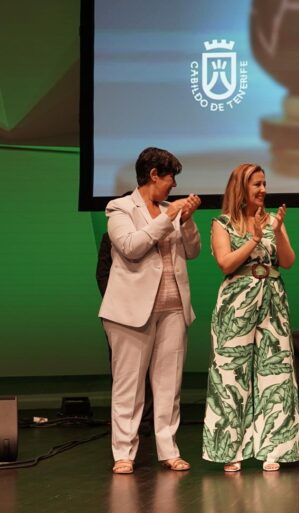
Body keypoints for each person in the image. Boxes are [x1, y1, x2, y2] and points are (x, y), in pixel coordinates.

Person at [99, 147, 201, 474]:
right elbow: (130, 247)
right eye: (170, 177)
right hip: (130, 311)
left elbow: (194, 251)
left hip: (173, 308)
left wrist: (187, 221)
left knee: (168, 384)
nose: (174, 185)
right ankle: (124, 454)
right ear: (154, 174)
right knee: (129, 385)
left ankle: (168, 450)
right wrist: (167, 218)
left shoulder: (172, 210)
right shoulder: (119, 208)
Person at [202, 163, 299, 472]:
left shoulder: (271, 219)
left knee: (276, 372)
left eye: (264, 183)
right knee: (231, 374)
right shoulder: (222, 223)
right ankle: (230, 449)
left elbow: (287, 261)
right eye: (256, 184)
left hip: (272, 298)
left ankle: (275, 448)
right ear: (241, 189)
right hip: (236, 302)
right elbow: (225, 263)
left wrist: (278, 230)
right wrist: (254, 239)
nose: (263, 190)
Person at [96, 192, 153, 435]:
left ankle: (146, 421)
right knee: (124, 373)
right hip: (120, 312)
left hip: (150, 308)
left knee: (152, 369)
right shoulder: (109, 237)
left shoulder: (149, 236)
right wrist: (120, 303)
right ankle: (125, 426)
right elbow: (102, 274)